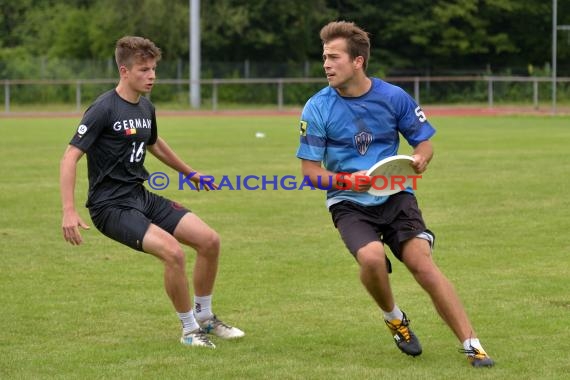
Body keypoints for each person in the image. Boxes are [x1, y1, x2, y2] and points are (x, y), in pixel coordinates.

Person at [296, 21, 494, 368]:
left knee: (421, 262)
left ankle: (472, 344)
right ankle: (394, 318)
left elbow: (424, 141)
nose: (326, 64)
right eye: (324, 57)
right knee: (372, 259)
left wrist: (421, 158)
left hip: (396, 193)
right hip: (348, 201)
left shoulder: (394, 97)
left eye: (334, 57)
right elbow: (311, 174)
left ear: (358, 61)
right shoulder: (317, 107)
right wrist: (347, 182)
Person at [60, 36, 244, 349]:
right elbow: (70, 157)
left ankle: (205, 318)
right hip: (110, 207)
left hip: (140, 197)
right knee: (172, 253)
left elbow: (154, 142)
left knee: (209, 241)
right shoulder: (103, 109)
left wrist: (190, 173)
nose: (152, 75)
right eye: (144, 69)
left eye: (154, 68)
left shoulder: (146, 106)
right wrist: (68, 210)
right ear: (124, 71)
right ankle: (188, 331)